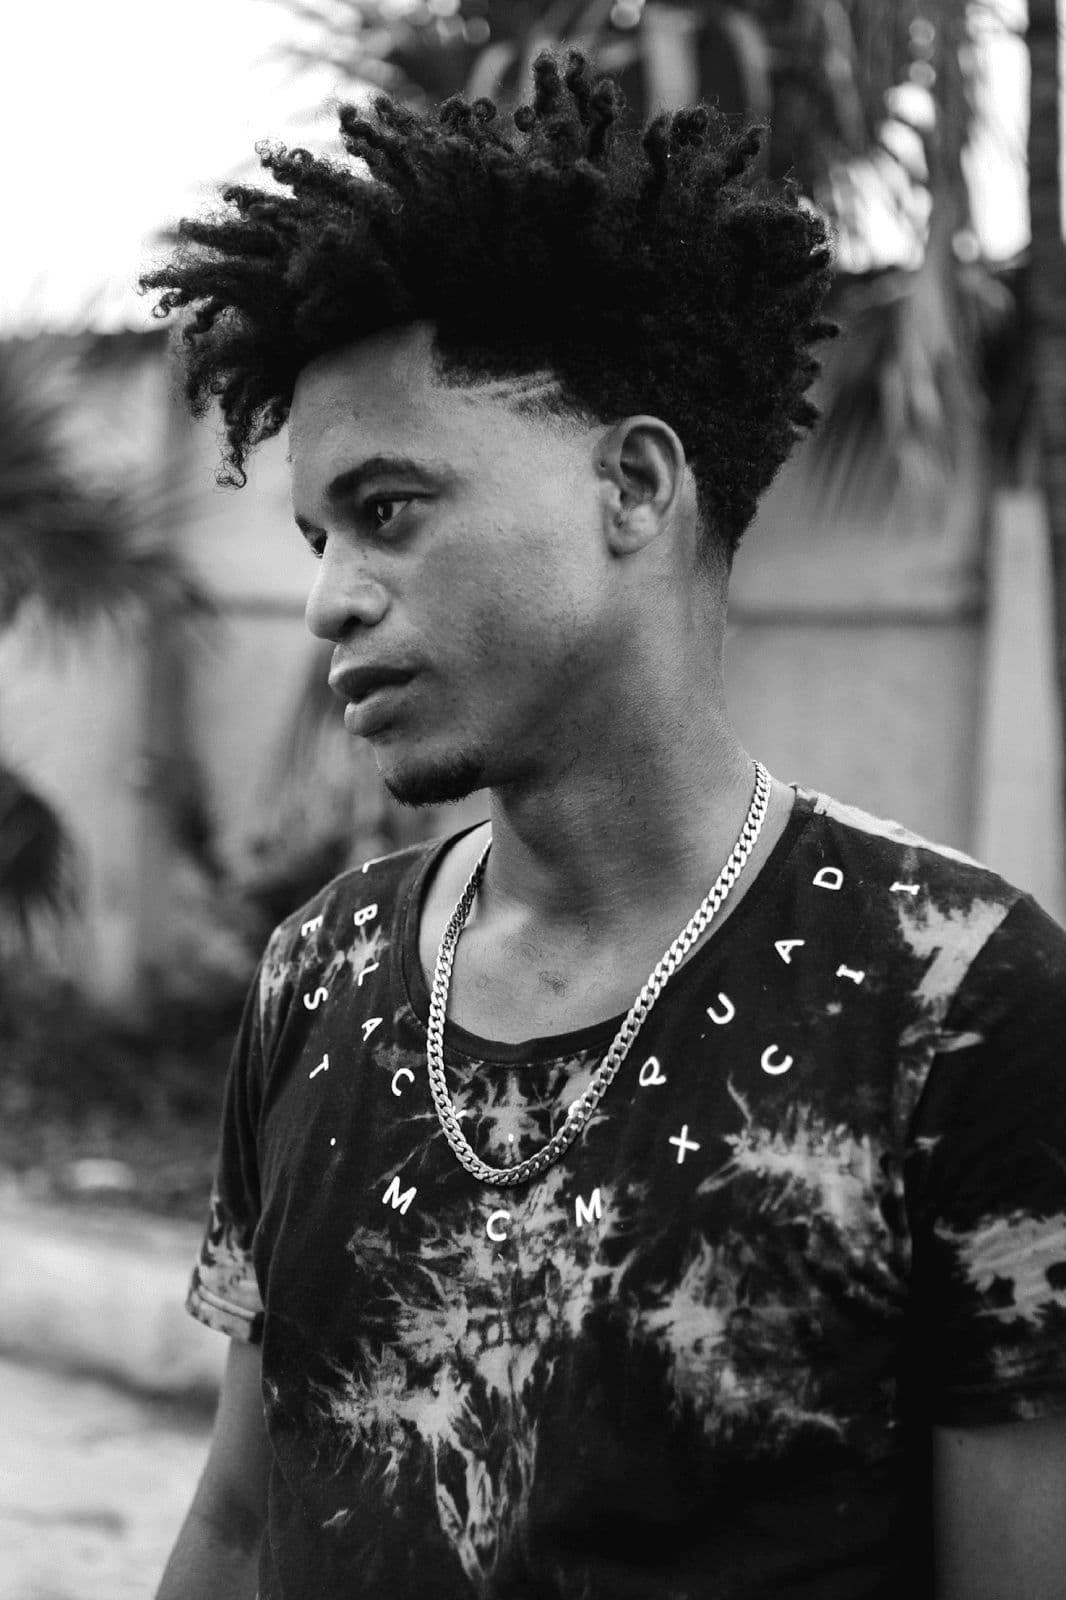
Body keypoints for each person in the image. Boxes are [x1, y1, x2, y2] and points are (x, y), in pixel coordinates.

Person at [141, 48, 1066, 1600]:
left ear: (632, 486)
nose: (325, 599)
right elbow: (243, 1523)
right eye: (315, 534)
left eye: (388, 508)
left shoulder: (950, 996)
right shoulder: (325, 970)